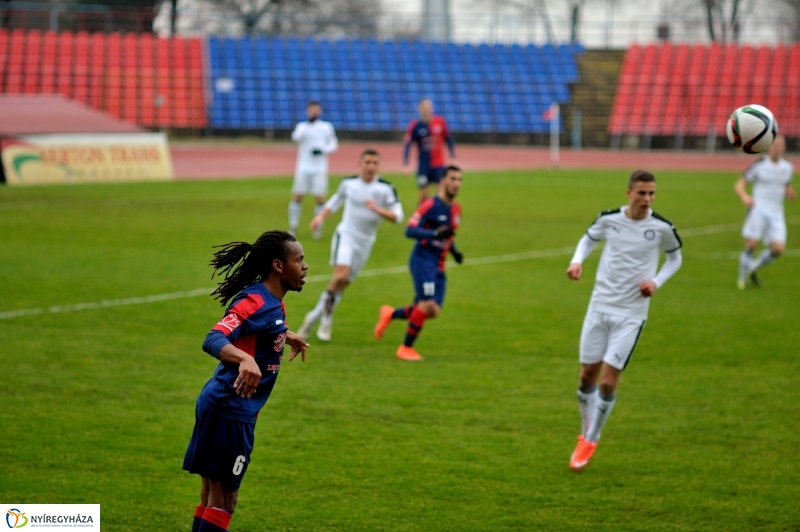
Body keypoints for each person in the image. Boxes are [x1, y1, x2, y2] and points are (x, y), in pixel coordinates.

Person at [183, 230, 310, 532]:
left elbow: (264, 325)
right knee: (225, 500)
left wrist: (284, 335)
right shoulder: (255, 300)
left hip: (223, 406)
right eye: (299, 260)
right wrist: (245, 359)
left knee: (211, 495)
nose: (305, 267)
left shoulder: (272, 300)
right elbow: (213, 338)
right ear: (278, 266)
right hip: (230, 409)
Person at [565, 170, 683, 471]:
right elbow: (587, 239)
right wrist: (577, 261)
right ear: (628, 193)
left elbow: (675, 258)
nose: (647, 199)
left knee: (607, 381)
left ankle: (592, 437)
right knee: (585, 377)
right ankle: (585, 430)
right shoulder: (608, 219)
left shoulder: (661, 227)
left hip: (631, 314)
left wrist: (656, 282)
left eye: (652, 194)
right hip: (599, 306)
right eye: (642, 193)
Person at [297, 149, 404, 342]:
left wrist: (377, 209)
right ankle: (324, 319)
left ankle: (313, 316)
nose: (370, 166)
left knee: (342, 285)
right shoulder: (349, 183)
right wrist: (320, 217)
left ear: (378, 166)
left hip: (366, 243)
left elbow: (398, 217)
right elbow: (335, 201)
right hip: (345, 236)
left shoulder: (386, 188)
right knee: (340, 276)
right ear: (360, 164)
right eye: (367, 162)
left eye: (374, 163)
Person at [374, 165, 464, 361]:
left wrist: (455, 252)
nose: (456, 183)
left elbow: (448, 235)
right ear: (442, 181)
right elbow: (410, 230)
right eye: (453, 179)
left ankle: (390, 313)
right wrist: (433, 234)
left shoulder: (456, 209)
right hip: (424, 261)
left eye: (459, 179)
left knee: (433, 311)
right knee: (428, 305)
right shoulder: (430, 205)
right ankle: (405, 348)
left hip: (440, 265)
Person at [735, 135, 795, 290]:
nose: (776, 148)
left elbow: (786, 183)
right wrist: (745, 197)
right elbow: (739, 185)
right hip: (758, 209)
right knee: (751, 244)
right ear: (768, 147)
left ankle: (753, 268)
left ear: (784, 148)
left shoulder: (788, 167)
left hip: (777, 212)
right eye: (774, 145)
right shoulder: (758, 165)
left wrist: (789, 191)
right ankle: (742, 280)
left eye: (780, 145)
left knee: (778, 249)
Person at [289, 101, 339, 239]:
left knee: (320, 198)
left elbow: (334, 144)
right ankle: (293, 226)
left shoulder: (326, 127)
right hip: (303, 167)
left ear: (320, 111)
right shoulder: (302, 126)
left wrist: (323, 150)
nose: (314, 112)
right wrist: (307, 125)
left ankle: (317, 227)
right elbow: (295, 137)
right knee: (298, 196)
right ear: (307, 111)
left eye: (316, 110)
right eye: (312, 110)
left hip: (319, 168)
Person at [402, 98, 456, 205]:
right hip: (423, 166)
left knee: (442, 192)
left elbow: (448, 138)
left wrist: (453, 156)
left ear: (432, 108)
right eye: (424, 107)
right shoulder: (415, 126)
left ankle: (443, 216)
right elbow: (407, 144)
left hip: (438, 165)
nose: (426, 109)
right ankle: (421, 217)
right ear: (419, 109)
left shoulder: (440, 122)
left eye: (428, 107)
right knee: (424, 193)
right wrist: (406, 164)